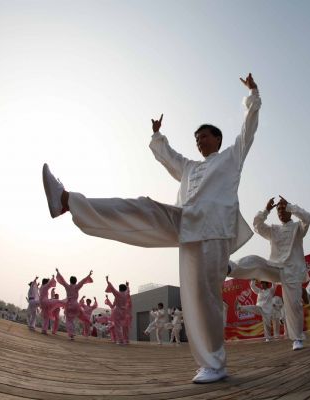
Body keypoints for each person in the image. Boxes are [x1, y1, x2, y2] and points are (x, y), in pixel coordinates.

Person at [42, 74, 260, 383]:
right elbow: (169, 157)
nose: (200, 141)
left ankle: (214, 363)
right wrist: (158, 136)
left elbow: (247, 129)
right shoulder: (189, 167)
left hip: (214, 232)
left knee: (204, 299)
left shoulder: (231, 157)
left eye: (205, 137)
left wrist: (252, 94)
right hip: (185, 223)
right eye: (197, 138)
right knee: (143, 206)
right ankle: (67, 202)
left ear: (218, 140)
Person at [228, 196, 310, 350]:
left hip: (291, 272)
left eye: (283, 208)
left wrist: (291, 206)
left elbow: (307, 217)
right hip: (275, 268)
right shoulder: (274, 229)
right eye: (278, 209)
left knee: (293, 305)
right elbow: (257, 226)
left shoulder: (298, 228)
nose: (280, 211)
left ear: (289, 210)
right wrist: (266, 210)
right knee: (255, 261)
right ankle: (229, 268)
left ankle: (297, 338)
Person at [56, 268, 93, 340]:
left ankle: (71, 333)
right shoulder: (77, 286)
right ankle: (87, 321)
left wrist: (58, 272)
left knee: (69, 320)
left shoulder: (67, 286)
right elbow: (82, 281)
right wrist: (89, 275)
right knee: (74, 319)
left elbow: (62, 280)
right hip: (76, 305)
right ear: (76, 281)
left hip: (68, 304)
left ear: (70, 281)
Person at [105, 277, 132, 344]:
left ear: (119, 289)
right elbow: (128, 290)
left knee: (117, 326)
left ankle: (120, 340)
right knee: (124, 326)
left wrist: (107, 281)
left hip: (118, 311)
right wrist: (127, 285)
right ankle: (126, 340)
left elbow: (112, 288)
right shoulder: (126, 294)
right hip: (124, 312)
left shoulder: (118, 294)